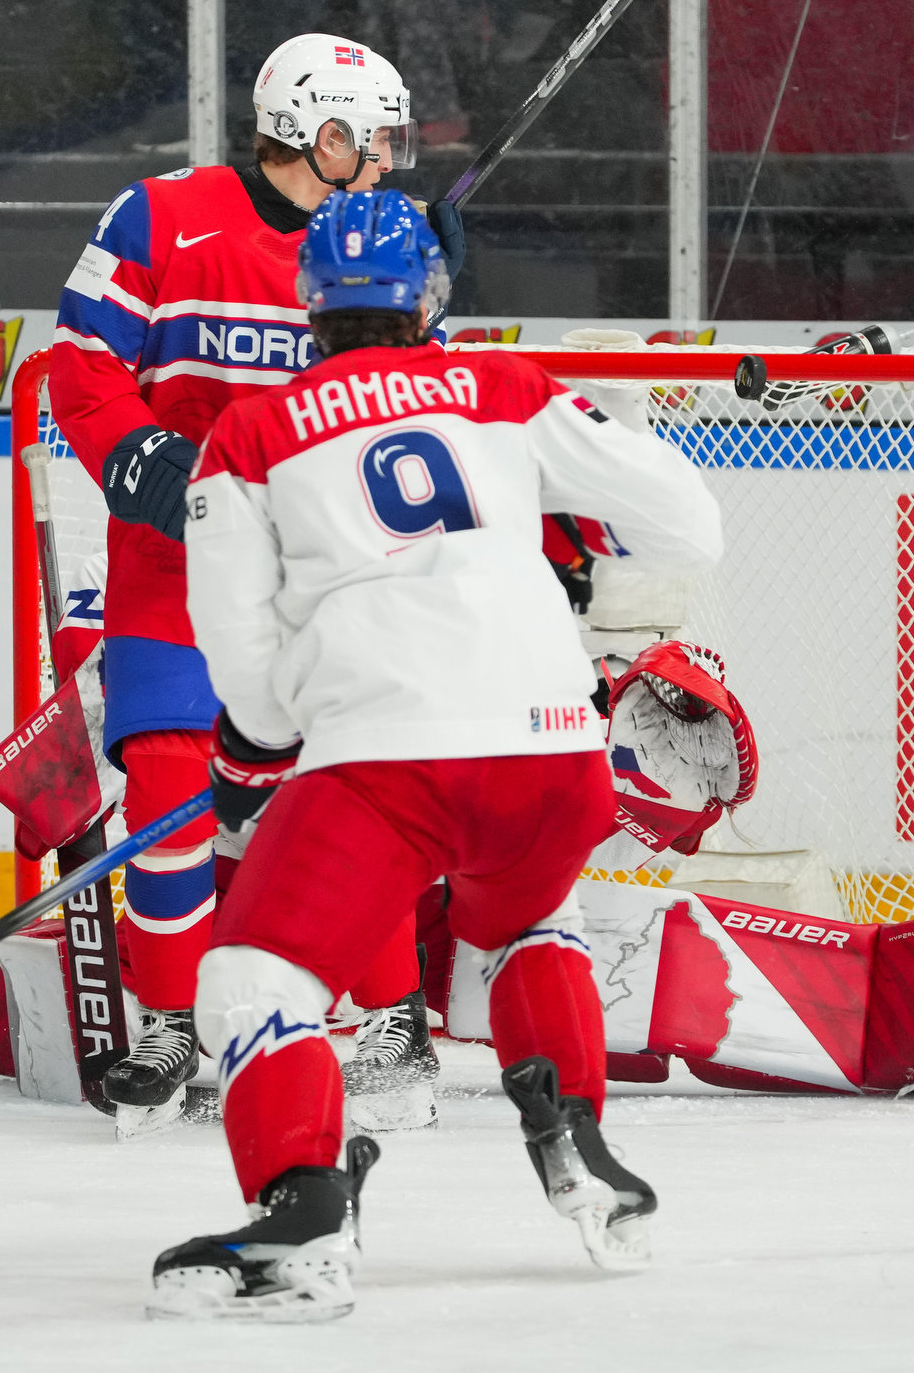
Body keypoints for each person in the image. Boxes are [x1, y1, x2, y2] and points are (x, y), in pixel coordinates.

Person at [149, 190, 723, 1321]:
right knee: (522, 923)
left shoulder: (249, 433)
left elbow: (245, 658)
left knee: (256, 978)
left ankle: (302, 1211)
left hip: (387, 763)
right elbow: (685, 527)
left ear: (306, 303)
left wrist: (257, 750)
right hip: (555, 751)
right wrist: (566, 583)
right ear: (431, 297)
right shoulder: (503, 386)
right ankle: (582, 1143)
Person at [49, 32, 466, 1118]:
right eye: (374, 139)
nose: (388, 158)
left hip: (321, 573)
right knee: (168, 785)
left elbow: (408, 398)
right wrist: (133, 452)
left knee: (334, 798)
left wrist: (430, 296)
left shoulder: (377, 238)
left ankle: (387, 1021)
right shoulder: (158, 214)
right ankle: (178, 1023)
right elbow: (81, 359)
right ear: (321, 136)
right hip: (173, 559)